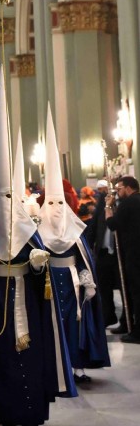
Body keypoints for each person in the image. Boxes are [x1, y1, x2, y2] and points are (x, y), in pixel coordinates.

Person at [0, 73, 76, 426]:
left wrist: (37, 263)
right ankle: (0, 413)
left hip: (24, 301)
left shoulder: (27, 226)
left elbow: (37, 256)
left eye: (7, 198)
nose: (2, 205)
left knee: (26, 356)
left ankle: (29, 414)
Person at [38, 106, 110, 383]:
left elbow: (82, 257)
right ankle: (52, 367)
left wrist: (86, 279)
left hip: (71, 283)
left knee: (74, 324)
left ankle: (76, 367)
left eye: (60, 203)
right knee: (50, 326)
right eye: (51, 203)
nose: (55, 208)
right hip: (47, 284)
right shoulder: (37, 230)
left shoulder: (75, 228)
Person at [105, 176, 140, 344]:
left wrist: (107, 208)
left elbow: (112, 224)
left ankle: (137, 331)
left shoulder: (128, 203)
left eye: (119, 189)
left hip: (133, 253)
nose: (117, 193)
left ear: (128, 188)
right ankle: (128, 323)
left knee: (136, 291)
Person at [85, 179, 120, 328]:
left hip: (119, 253)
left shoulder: (123, 205)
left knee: (121, 287)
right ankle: (108, 315)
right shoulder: (102, 203)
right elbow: (94, 225)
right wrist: (88, 245)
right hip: (103, 251)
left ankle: (127, 319)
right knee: (104, 287)